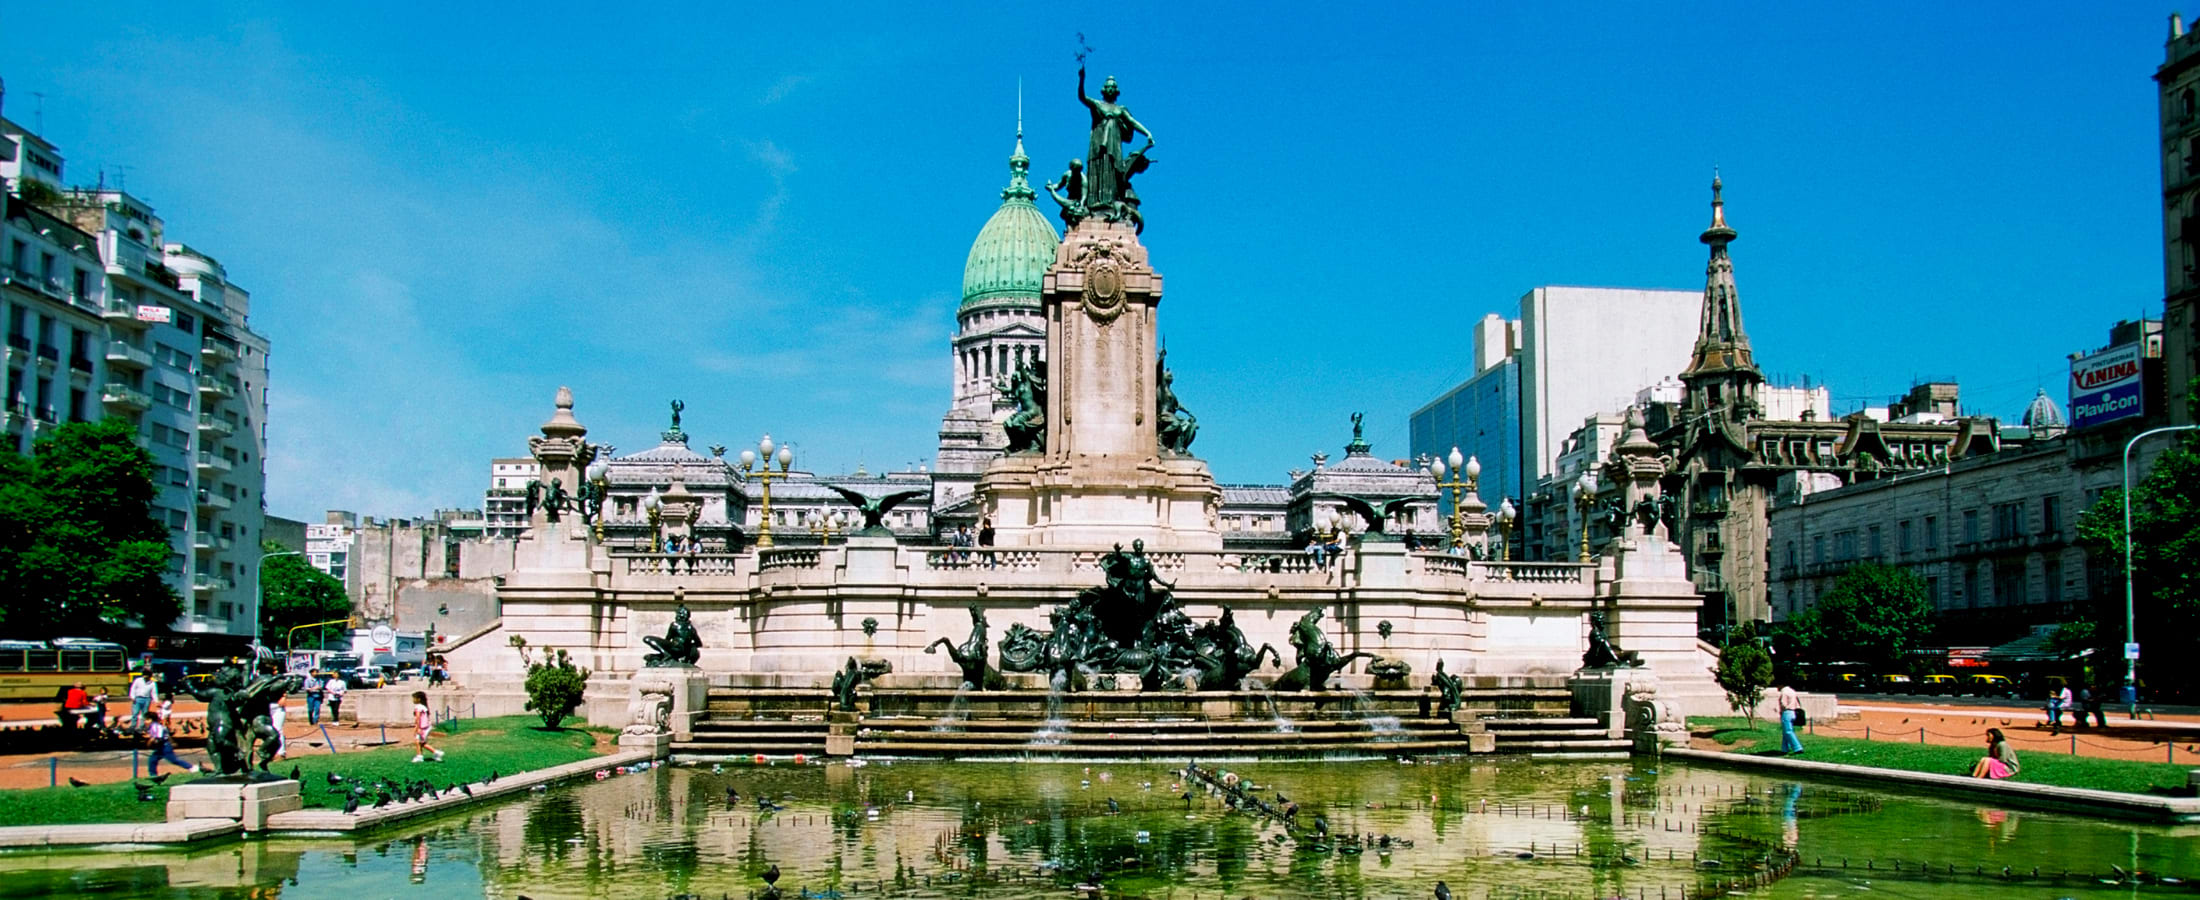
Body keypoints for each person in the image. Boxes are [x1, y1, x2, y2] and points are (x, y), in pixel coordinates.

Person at [146, 698, 200, 776]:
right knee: (152, 760)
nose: (145, 721)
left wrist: (150, 742)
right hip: (161, 746)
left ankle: (192, 767)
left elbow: (158, 738)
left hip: (164, 746)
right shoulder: (152, 727)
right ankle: (153, 775)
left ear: (151, 720)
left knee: (174, 760)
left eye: (147, 720)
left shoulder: (156, 726)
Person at [411, 690, 443, 763]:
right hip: (426, 727)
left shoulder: (418, 707)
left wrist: (417, 728)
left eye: (414, 698)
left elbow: (418, 718)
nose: (413, 700)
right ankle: (435, 753)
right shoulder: (424, 707)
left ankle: (421, 756)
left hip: (422, 727)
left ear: (418, 699)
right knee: (420, 742)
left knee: (418, 742)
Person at [1776, 683, 1804, 755]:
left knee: (1788, 731)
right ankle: (1784, 749)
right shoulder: (1792, 691)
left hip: (1787, 712)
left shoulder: (1784, 692)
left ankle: (1798, 748)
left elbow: (1783, 703)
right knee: (1785, 732)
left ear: (1781, 685)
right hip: (1793, 712)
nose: (1777, 687)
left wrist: (1781, 711)